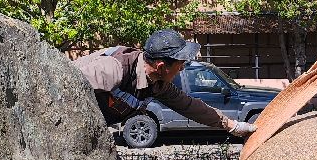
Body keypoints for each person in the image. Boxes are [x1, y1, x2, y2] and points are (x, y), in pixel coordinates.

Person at [73, 29, 256, 139]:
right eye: (180, 63)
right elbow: (63, 87)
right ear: (161, 66)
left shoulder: (158, 83)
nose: (183, 68)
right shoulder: (112, 69)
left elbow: (190, 106)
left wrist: (232, 126)